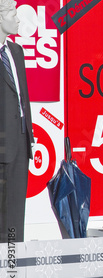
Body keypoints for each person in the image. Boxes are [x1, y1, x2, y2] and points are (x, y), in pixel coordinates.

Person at [0, 0, 34, 243]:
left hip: (20, 143)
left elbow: (22, 98)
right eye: (13, 12)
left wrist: (28, 136)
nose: (19, 19)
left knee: (14, 215)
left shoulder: (16, 52)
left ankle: (13, 270)